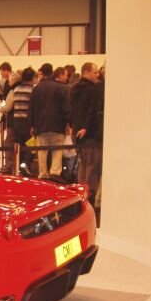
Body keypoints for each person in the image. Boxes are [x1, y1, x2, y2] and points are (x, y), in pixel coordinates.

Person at [30, 63, 71, 180]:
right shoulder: (62, 88)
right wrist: (68, 123)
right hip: (58, 125)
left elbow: (32, 107)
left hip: (41, 126)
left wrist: (32, 125)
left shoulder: (37, 88)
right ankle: (55, 173)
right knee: (57, 151)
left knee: (42, 151)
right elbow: (66, 108)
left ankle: (43, 174)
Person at [71, 62, 101, 203]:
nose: (97, 74)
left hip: (76, 131)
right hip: (87, 132)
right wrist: (86, 128)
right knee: (91, 164)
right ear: (87, 72)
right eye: (95, 72)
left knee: (82, 164)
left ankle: (80, 192)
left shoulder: (74, 88)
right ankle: (88, 195)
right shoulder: (92, 90)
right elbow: (91, 111)